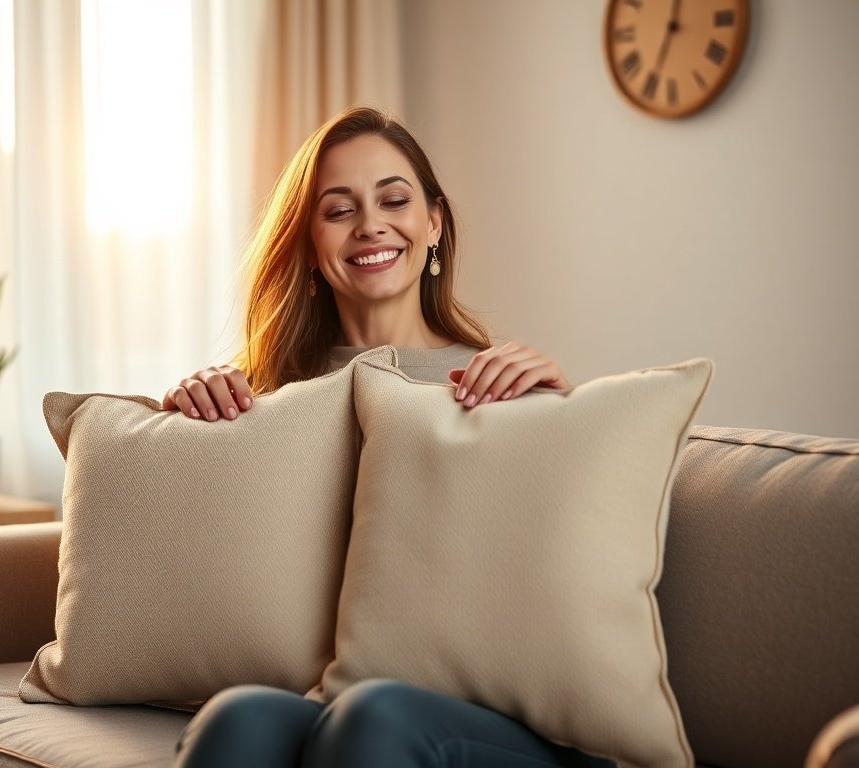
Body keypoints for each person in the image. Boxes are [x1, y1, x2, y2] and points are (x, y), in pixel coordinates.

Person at [161, 107, 612, 768]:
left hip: (500, 721)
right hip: (335, 700)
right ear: (310, 246)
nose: (370, 223)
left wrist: (564, 414)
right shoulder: (270, 401)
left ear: (433, 222)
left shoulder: (500, 385)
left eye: (394, 200)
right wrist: (181, 421)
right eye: (338, 210)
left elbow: (570, 568)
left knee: (374, 713)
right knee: (238, 718)